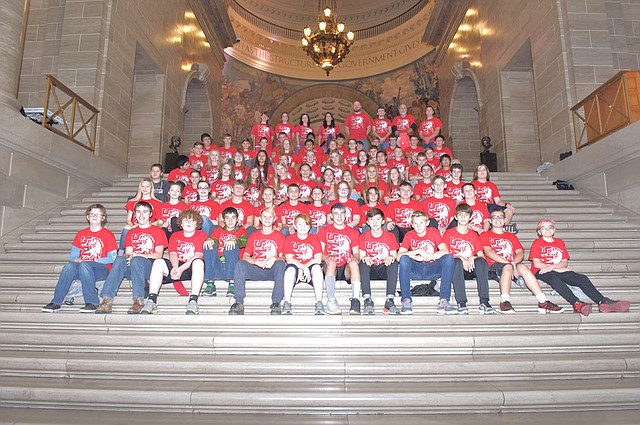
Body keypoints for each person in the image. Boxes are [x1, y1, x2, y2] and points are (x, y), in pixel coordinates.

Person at [529, 219, 630, 315]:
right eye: (543, 228)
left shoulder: (559, 242)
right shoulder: (537, 243)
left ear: (554, 230)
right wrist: (553, 268)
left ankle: (602, 301)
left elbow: (564, 262)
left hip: (557, 269)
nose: (547, 229)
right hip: (541, 271)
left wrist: (554, 267)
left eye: (550, 227)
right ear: (539, 232)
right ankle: (576, 303)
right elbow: (537, 263)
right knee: (554, 279)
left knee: (581, 278)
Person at [480, 209, 564, 314]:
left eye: (500, 217)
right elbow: (488, 252)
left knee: (523, 267)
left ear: (505, 220)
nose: (498, 219)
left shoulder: (511, 236)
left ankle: (543, 301)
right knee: (508, 267)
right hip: (492, 266)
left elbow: (520, 252)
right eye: (495, 217)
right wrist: (509, 264)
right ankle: (504, 301)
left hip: (511, 264)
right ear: (490, 221)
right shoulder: (485, 235)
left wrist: (514, 263)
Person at [42, 204, 117, 313]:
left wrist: (94, 261)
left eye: (98, 214)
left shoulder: (108, 235)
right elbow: (73, 257)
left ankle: (92, 302)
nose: (94, 216)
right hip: (84, 268)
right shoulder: (80, 234)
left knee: (85, 265)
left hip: (101, 269)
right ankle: (56, 302)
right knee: (69, 267)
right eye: (92, 214)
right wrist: (78, 260)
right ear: (88, 217)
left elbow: (112, 258)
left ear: (103, 217)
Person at [95, 201, 168, 314]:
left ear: (150, 214)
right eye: (138, 212)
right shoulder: (131, 233)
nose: (141, 215)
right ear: (134, 215)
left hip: (150, 268)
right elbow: (128, 254)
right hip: (133, 267)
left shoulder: (158, 231)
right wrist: (132, 257)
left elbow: (158, 254)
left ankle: (138, 300)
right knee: (120, 259)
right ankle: (106, 300)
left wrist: (139, 255)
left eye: (145, 211)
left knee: (137, 259)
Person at [142, 209, 208, 315]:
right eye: (186, 220)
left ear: (197, 224)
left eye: (192, 220)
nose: (189, 223)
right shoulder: (175, 236)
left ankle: (193, 301)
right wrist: (175, 267)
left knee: (198, 262)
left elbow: (198, 254)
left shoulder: (202, 235)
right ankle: (152, 300)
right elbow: (173, 253)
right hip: (178, 264)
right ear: (181, 223)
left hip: (191, 267)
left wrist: (181, 269)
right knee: (158, 262)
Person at [229, 207, 286, 315]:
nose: (267, 219)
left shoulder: (280, 236)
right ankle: (239, 302)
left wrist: (274, 258)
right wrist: (256, 262)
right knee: (241, 264)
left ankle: (276, 303)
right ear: (260, 219)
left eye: (270, 217)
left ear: (274, 219)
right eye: (265, 216)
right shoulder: (254, 235)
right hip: (256, 268)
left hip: (272, 270)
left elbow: (284, 258)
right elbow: (245, 256)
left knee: (280, 264)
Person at [397, 210, 456, 315]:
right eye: (416, 223)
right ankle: (406, 300)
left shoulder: (433, 231)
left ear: (427, 223)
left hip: (432, 268)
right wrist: (418, 253)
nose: (419, 226)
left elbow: (445, 250)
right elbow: (398, 256)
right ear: (412, 225)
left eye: (421, 223)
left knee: (449, 258)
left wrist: (431, 256)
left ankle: (444, 300)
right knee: (404, 259)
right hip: (416, 270)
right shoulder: (410, 235)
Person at [443, 204, 496, 315]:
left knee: (481, 261)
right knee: (455, 261)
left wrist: (473, 257)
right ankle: (461, 302)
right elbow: (445, 254)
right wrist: (460, 257)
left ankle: (484, 301)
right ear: (456, 217)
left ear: (470, 217)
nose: (463, 217)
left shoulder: (474, 234)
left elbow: (481, 255)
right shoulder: (449, 233)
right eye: (460, 215)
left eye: (466, 215)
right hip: (456, 269)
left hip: (471, 268)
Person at [318, 203, 361, 315]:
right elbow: (320, 254)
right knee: (331, 263)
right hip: (330, 267)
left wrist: (354, 258)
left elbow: (356, 253)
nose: (339, 216)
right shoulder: (324, 231)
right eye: (336, 213)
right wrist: (326, 257)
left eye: (342, 213)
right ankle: (331, 300)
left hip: (346, 267)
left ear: (346, 215)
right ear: (331, 216)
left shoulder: (353, 232)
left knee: (354, 264)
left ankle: (355, 301)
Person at [357, 208, 400, 315]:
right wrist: (365, 257)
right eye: (371, 220)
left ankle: (389, 300)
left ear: (383, 221)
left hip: (384, 268)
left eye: (378, 219)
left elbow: (394, 255)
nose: (375, 222)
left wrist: (391, 256)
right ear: (367, 222)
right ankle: (367, 300)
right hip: (371, 270)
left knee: (393, 262)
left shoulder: (390, 236)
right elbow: (361, 255)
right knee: (363, 262)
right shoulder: (363, 237)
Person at [282, 214, 325, 315]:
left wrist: (305, 267)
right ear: (295, 226)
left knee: (317, 268)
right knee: (289, 270)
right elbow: (289, 259)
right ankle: (287, 303)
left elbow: (318, 259)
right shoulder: (289, 239)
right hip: (295, 268)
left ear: (310, 227)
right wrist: (302, 267)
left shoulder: (314, 239)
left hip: (310, 268)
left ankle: (319, 303)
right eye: (300, 224)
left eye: (305, 225)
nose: (302, 227)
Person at [203, 206, 248, 298]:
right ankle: (210, 284)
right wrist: (209, 240)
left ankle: (232, 284)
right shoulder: (218, 230)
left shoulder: (241, 230)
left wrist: (235, 241)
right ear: (223, 220)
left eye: (233, 218)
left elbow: (244, 241)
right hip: (219, 266)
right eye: (227, 218)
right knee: (208, 245)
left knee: (230, 245)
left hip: (233, 266)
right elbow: (214, 240)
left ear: (237, 220)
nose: (230, 221)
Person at [473, 164, 517, 232]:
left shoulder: (492, 185)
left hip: (490, 205)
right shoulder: (472, 184)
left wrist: (506, 205)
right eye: (479, 170)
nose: (482, 171)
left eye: (484, 170)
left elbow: (498, 201)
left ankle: (503, 228)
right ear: (476, 173)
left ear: (487, 172)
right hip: (478, 205)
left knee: (509, 210)